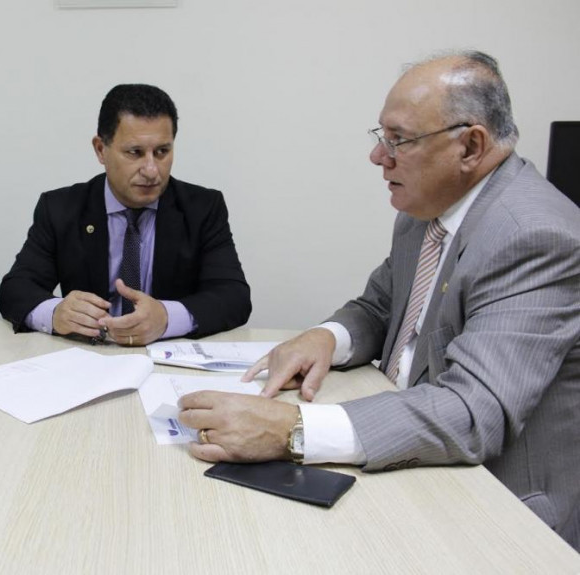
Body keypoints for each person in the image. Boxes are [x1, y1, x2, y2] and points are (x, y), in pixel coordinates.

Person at [178, 51, 580, 550]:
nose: (378, 156)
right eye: (381, 137)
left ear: (471, 146)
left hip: (493, 512)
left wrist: (293, 430)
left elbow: (475, 413)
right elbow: (378, 307)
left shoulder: (536, 236)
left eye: (400, 140)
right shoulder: (424, 211)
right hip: (410, 461)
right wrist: (327, 336)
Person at [0, 84, 251, 346]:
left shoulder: (203, 208)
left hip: (167, 358)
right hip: (88, 360)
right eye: (135, 153)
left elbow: (233, 297)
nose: (152, 170)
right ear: (100, 149)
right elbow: (15, 290)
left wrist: (166, 317)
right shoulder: (60, 208)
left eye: (162, 152)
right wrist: (56, 313)